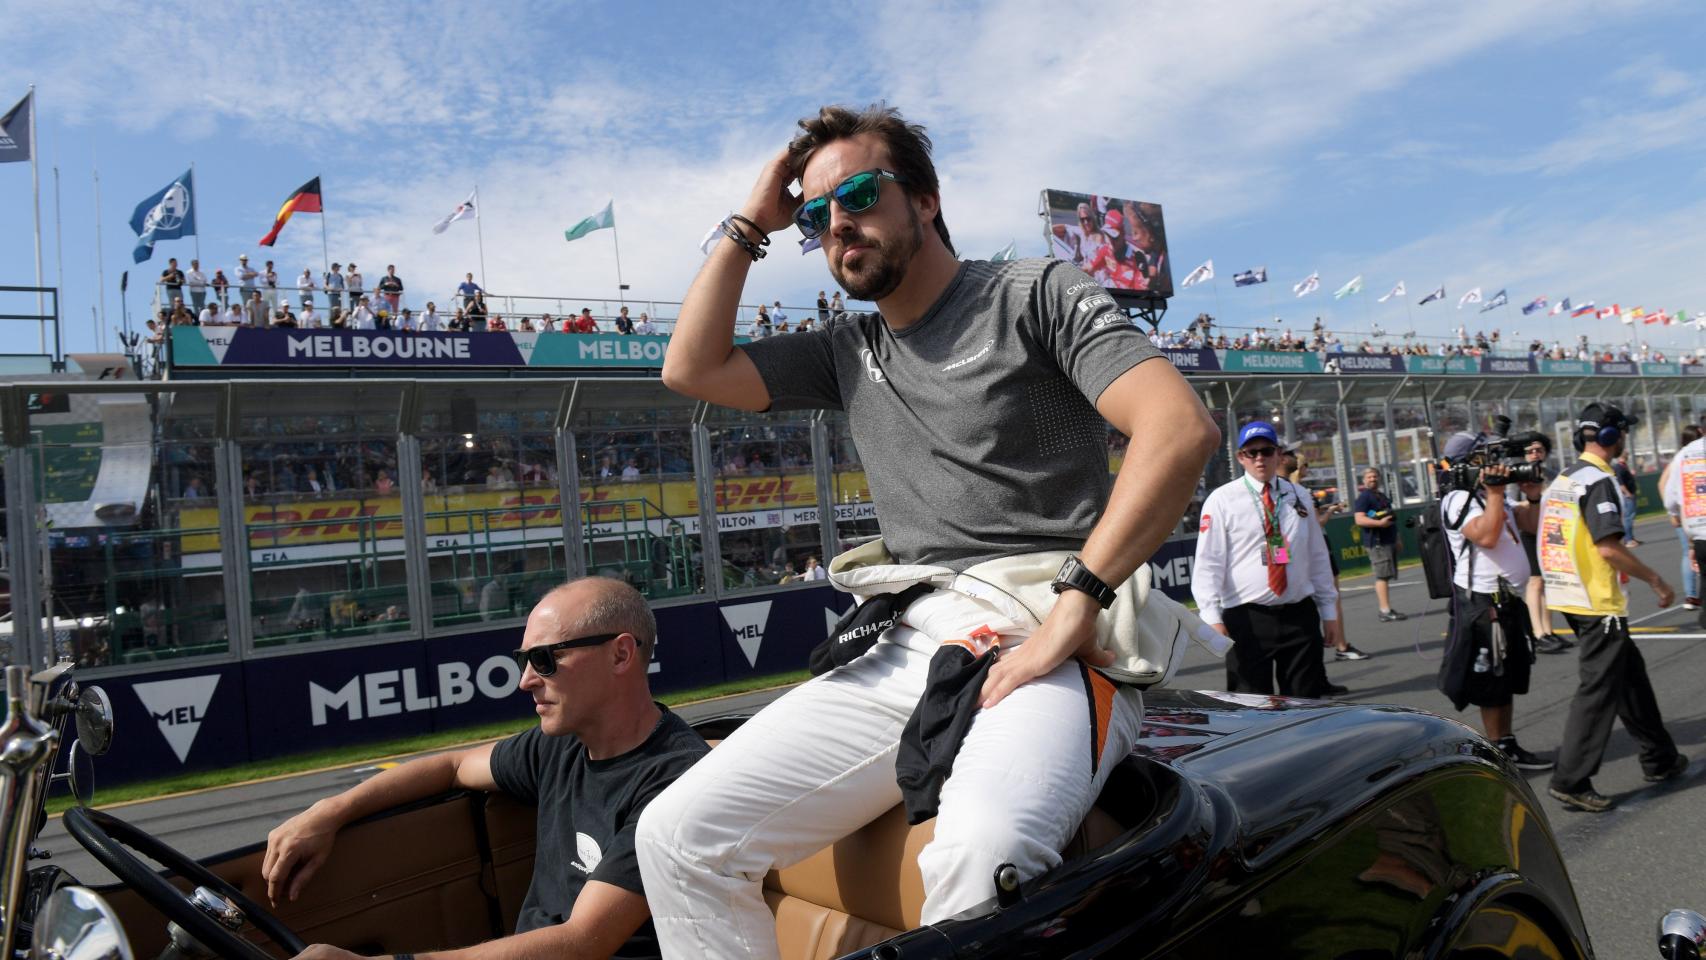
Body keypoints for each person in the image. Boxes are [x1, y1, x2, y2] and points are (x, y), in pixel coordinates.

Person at [636, 102, 1218, 958]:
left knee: (983, 857)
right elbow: (689, 367)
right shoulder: (847, 348)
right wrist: (749, 224)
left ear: (927, 201)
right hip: (910, 634)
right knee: (676, 835)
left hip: (1043, 626)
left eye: (861, 194)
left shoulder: (1034, 292)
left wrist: (1078, 601)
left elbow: (1178, 430)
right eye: (815, 216)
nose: (838, 224)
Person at [265, 578, 708, 960]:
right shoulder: (560, 746)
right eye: (524, 660)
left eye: (545, 659)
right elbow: (452, 765)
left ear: (620, 655)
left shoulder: (674, 781)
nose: (526, 680)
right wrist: (330, 811)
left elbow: (581, 943)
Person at [1540, 403, 1686, 812]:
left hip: (1568, 594)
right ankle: (1570, 778)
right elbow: (1608, 547)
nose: (1623, 438)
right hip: (1594, 600)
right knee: (1598, 690)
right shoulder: (1598, 480)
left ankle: (1661, 758)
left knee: (1630, 678)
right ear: (1610, 437)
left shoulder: (1564, 478)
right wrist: (1655, 579)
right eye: (1622, 431)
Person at [1194, 421, 1342, 697]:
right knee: (1250, 705)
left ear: (1279, 455)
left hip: (1299, 614)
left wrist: (1329, 611)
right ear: (1241, 457)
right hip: (1247, 618)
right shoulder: (1222, 500)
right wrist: (1212, 616)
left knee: (1305, 705)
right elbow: (1208, 562)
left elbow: (1317, 555)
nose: (1259, 458)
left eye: (1266, 450)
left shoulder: (1298, 495)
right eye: (1252, 453)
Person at [1435, 433, 1552, 770]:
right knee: (1491, 682)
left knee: (1509, 677)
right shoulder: (1459, 498)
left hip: (1507, 600)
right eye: (1485, 456)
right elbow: (1486, 536)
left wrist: (1531, 497)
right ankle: (1497, 751)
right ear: (1469, 462)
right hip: (1482, 602)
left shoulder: (1491, 495)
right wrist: (1498, 493)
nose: (1495, 461)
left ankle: (1506, 742)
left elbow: (1529, 525)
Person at [1515, 433, 1570, 653]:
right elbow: (1514, 504)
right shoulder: (1518, 475)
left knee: (1547, 581)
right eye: (1529, 451)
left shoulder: (1552, 474)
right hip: (1526, 530)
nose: (1534, 454)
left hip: (1548, 530)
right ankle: (1536, 633)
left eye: (1538, 450)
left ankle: (1548, 630)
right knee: (1535, 581)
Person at [1660, 424, 1705, 617]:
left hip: (1697, 528)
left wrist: (1673, 512)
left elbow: (1668, 492)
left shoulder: (1683, 455)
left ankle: (1692, 596)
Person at [1353, 467, 1407, 621]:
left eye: (1375, 476)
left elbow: (1390, 517)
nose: (1372, 479)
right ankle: (1384, 611)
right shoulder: (1364, 497)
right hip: (1376, 542)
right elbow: (1359, 519)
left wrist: (1397, 538)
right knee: (1382, 576)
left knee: (1386, 575)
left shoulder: (1381, 496)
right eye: (1369, 477)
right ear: (1364, 480)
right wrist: (1379, 524)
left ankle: (1387, 608)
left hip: (1388, 540)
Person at [1614, 452, 1639, 546]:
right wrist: (1628, 493)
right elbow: (1621, 484)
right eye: (1626, 455)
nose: (1627, 457)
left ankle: (1631, 538)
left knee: (1630, 517)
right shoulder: (1618, 467)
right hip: (1627, 496)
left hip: (1631, 493)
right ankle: (1628, 540)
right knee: (1628, 518)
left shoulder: (1624, 466)